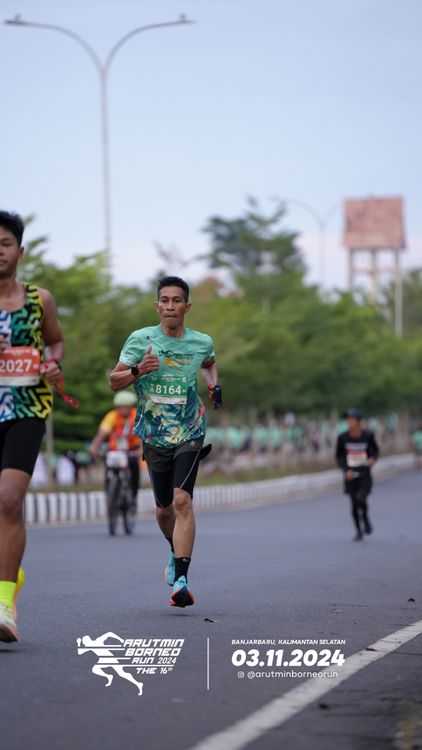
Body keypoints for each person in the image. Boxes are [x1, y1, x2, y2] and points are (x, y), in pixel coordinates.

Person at [109, 276, 220, 608]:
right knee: (163, 509)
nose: (171, 306)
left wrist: (213, 384)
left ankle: (181, 581)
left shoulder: (201, 342)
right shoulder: (140, 340)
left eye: (177, 300)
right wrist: (138, 370)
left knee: (182, 500)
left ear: (187, 306)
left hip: (190, 429)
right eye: (165, 300)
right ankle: (174, 549)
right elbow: (114, 381)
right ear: (157, 306)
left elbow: (209, 363)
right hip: (154, 433)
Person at [0, 211, 64, 642]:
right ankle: (10, 574)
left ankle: (4, 604)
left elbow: (55, 341)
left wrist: (53, 363)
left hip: (27, 408)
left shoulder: (40, 300)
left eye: (5, 243)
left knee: (9, 499)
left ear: (20, 251)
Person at [90, 390, 142, 503]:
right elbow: (102, 433)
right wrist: (94, 446)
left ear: (130, 407)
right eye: (121, 407)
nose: (123, 409)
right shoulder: (112, 416)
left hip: (132, 449)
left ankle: (134, 494)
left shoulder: (137, 415)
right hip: (115, 450)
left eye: (126, 407)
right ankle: (109, 493)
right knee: (109, 467)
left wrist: (141, 449)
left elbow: (144, 434)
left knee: (134, 467)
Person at [336, 408, 379, 541]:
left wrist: (372, 459)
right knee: (354, 504)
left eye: (352, 419)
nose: (349, 422)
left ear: (358, 421)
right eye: (348, 419)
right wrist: (345, 470)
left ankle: (365, 518)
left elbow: (375, 450)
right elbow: (339, 456)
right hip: (350, 475)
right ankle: (358, 530)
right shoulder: (342, 438)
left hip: (364, 474)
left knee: (361, 499)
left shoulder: (368, 436)